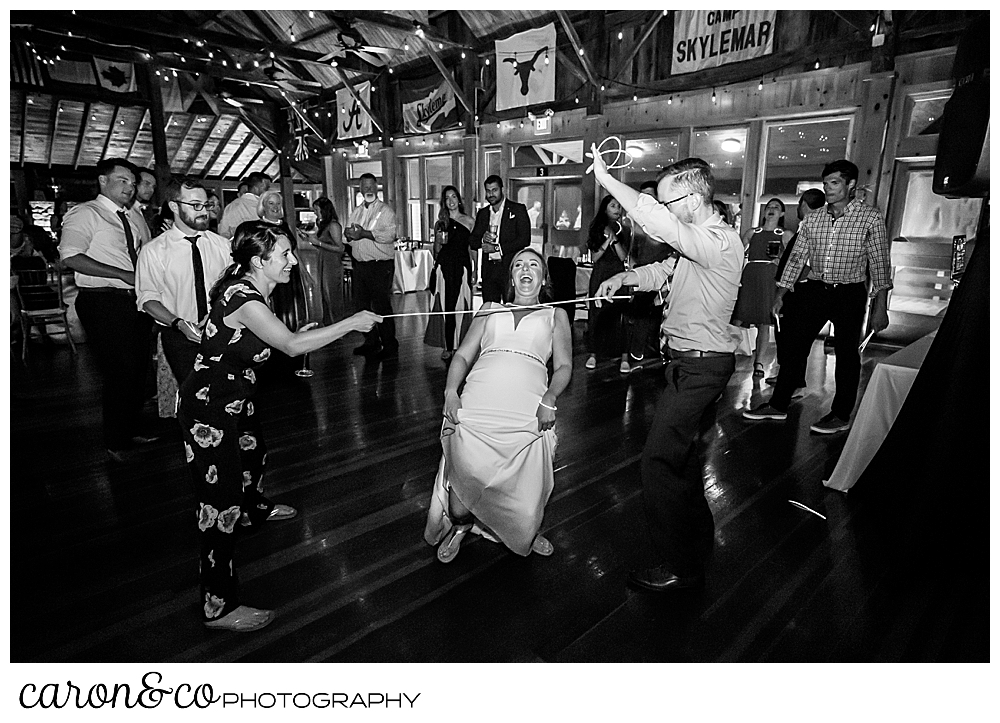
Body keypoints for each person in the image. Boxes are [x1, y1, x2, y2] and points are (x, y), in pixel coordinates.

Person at [179, 221, 380, 631]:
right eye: (284, 255)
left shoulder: (247, 286)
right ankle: (218, 606)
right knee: (219, 505)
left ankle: (255, 510)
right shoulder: (245, 297)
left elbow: (272, 341)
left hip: (235, 396)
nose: (292, 261)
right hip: (210, 407)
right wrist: (349, 323)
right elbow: (288, 346)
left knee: (254, 454)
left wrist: (296, 334)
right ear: (258, 261)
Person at [592, 152, 744, 593]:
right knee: (682, 461)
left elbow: (661, 226)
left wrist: (606, 178)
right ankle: (696, 544)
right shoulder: (698, 245)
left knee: (657, 462)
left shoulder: (718, 241)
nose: (664, 211)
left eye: (668, 202)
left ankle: (680, 566)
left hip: (700, 368)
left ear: (693, 200)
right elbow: (667, 269)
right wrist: (624, 279)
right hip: (685, 365)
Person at [424, 247, 572, 563]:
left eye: (534, 264)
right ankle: (460, 528)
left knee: (522, 492)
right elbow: (462, 355)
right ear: (511, 277)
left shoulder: (556, 314)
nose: (525, 269)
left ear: (543, 277)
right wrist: (451, 391)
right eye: (518, 264)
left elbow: (564, 367)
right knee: (459, 503)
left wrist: (550, 398)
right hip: (479, 404)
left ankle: (522, 533)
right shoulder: (490, 309)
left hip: (528, 410)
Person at [744, 160, 891, 434]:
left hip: (849, 293)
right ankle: (777, 405)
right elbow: (797, 257)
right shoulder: (814, 218)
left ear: (850, 186)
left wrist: (879, 307)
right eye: (825, 183)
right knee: (794, 347)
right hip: (816, 290)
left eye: (834, 183)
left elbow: (880, 263)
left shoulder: (870, 217)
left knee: (847, 354)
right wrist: (780, 294)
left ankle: (840, 415)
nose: (828, 188)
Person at [59, 158, 157, 463]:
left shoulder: (132, 218)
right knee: (119, 371)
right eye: (122, 180)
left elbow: (144, 253)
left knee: (138, 369)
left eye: (132, 182)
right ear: (103, 181)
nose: (130, 188)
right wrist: (123, 274)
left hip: (133, 301)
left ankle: (129, 429)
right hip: (102, 300)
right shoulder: (86, 213)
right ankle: (115, 441)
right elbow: (70, 257)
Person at [135, 177, 232, 386]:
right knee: (195, 395)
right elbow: (147, 299)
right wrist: (179, 324)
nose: (204, 212)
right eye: (195, 206)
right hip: (179, 335)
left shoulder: (223, 246)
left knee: (229, 395)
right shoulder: (154, 251)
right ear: (174, 206)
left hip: (222, 331)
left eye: (205, 205)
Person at [766, 188, 826, 387]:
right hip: (796, 291)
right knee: (788, 338)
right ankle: (788, 377)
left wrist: (787, 284)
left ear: (803, 204)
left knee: (793, 340)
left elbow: (807, 265)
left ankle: (793, 381)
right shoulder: (805, 227)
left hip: (799, 292)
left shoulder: (813, 230)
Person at [732, 198, 793, 377]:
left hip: (769, 277)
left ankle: (758, 363)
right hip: (750, 275)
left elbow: (794, 258)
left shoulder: (785, 234)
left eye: (776, 207)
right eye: (769, 207)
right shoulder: (753, 232)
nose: (772, 209)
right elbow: (736, 252)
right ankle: (726, 355)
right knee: (738, 318)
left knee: (764, 322)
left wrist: (780, 261)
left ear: (782, 213)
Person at [344, 173, 398, 359]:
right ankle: (371, 341)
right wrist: (349, 235)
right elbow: (349, 237)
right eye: (364, 186)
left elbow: (388, 236)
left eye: (370, 186)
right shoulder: (356, 211)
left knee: (382, 306)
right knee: (361, 306)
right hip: (360, 266)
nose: (368, 189)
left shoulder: (386, 211)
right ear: (360, 189)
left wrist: (364, 234)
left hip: (379, 266)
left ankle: (390, 344)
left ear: (377, 188)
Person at [623, 181, 676, 370]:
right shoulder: (639, 224)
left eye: (649, 195)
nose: (645, 199)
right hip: (642, 273)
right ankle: (637, 354)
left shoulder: (666, 225)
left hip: (661, 276)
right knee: (640, 314)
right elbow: (633, 249)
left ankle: (653, 355)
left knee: (655, 315)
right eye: (642, 194)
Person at [424, 185, 475, 361]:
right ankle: (447, 345)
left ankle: (461, 345)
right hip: (444, 266)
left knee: (461, 305)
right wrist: (438, 240)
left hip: (461, 266)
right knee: (446, 306)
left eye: (454, 197)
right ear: (443, 202)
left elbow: (472, 249)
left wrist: (474, 270)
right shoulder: (441, 222)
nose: (451, 201)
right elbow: (437, 250)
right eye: (447, 198)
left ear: (459, 199)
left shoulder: (469, 221)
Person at [584, 195, 631, 373]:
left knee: (622, 315)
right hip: (601, 273)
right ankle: (593, 354)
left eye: (619, 206)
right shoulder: (596, 227)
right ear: (605, 208)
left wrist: (615, 239)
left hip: (619, 274)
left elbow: (623, 256)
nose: (617, 209)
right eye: (613, 206)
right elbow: (595, 257)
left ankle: (624, 357)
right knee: (596, 314)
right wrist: (606, 241)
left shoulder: (625, 229)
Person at [468, 175, 531, 303]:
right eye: (488, 190)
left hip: (510, 269)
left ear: (502, 189)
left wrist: (497, 248)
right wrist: (482, 239)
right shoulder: (483, 213)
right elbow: (473, 241)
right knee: (490, 311)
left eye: (494, 190)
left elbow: (525, 239)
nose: (491, 194)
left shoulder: (518, 210)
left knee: (511, 308)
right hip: (489, 271)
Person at [303, 197, 346, 325]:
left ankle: (338, 324)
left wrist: (319, 242)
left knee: (333, 295)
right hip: (323, 261)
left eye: (316, 209)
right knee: (324, 295)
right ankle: (328, 323)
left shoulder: (334, 225)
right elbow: (322, 246)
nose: (315, 212)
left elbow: (340, 248)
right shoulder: (323, 225)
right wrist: (309, 240)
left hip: (332, 264)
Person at [219, 172, 270, 239]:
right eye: (267, 188)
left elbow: (223, 233)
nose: (268, 192)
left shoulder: (230, 207)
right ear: (262, 185)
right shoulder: (263, 207)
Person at [132, 168, 159, 235]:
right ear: (134, 183)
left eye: (153, 187)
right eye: (146, 184)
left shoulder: (143, 210)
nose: (151, 190)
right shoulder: (126, 209)